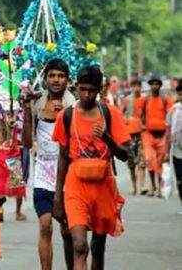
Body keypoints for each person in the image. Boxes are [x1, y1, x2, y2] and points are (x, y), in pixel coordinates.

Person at [52, 65, 130, 270]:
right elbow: (62, 157)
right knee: (79, 246)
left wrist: (108, 139)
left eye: (92, 90)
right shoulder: (66, 115)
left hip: (103, 186)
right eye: (83, 89)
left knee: (98, 246)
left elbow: (125, 155)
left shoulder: (109, 113)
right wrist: (58, 196)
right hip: (76, 186)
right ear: (76, 86)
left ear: (100, 89)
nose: (86, 94)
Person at [22, 59, 75, 270]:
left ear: (67, 80)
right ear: (45, 79)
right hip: (42, 177)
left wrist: (65, 116)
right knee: (45, 226)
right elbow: (26, 142)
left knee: (68, 230)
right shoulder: (36, 104)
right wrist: (26, 111)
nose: (56, 80)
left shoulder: (74, 106)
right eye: (52, 75)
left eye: (60, 76)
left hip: (68, 177)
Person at [141, 76, 173, 197]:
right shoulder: (146, 99)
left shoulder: (165, 99)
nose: (154, 86)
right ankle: (152, 185)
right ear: (150, 86)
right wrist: (142, 125)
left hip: (162, 135)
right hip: (148, 134)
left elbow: (170, 115)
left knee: (160, 163)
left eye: (157, 84)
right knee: (149, 160)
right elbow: (141, 115)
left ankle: (159, 188)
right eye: (152, 84)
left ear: (160, 86)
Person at [121, 80, 146, 195]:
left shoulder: (144, 99)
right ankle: (134, 186)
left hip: (141, 133)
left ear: (141, 87)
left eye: (138, 86)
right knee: (131, 162)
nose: (136, 88)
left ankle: (142, 186)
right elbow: (121, 113)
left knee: (141, 160)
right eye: (134, 86)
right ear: (132, 87)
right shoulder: (127, 100)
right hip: (129, 133)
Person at [165, 83, 182, 214]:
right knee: (180, 180)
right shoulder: (173, 111)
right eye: (180, 94)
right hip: (177, 151)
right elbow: (168, 132)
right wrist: (166, 151)